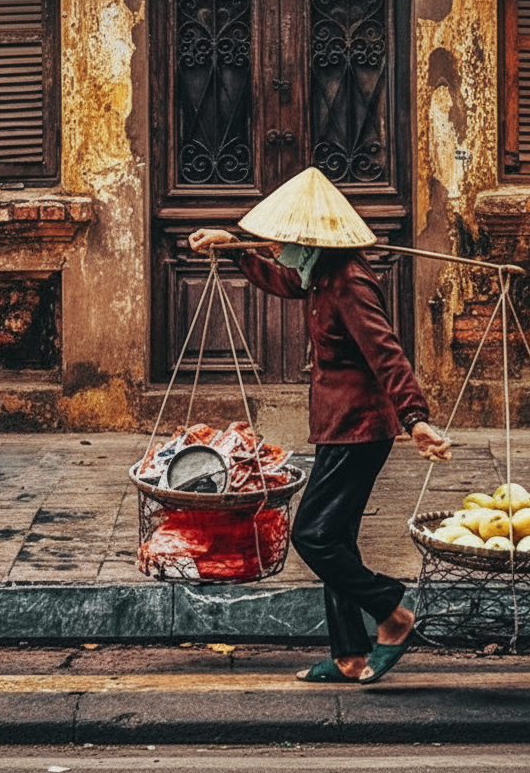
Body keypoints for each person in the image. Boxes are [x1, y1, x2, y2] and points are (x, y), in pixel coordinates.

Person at [189, 166, 451, 684]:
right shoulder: (317, 271)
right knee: (338, 539)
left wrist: (415, 418)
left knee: (313, 535)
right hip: (337, 426)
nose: (276, 246)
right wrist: (235, 248)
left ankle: (392, 611)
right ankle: (350, 654)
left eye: (283, 238)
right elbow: (282, 278)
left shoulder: (349, 282)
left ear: (309, 239)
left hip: (360, 429)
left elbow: (386, 353)